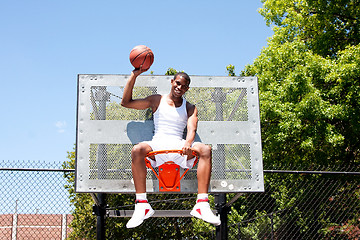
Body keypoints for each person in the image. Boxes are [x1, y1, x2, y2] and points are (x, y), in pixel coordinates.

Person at [121, 66, 221, 228]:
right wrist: (134, 75)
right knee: (137, 150)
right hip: (158, 144)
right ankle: (142, 204)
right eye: (177, 83)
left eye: (183, 86)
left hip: (179, 146)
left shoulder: (190, 107)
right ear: (172, 82)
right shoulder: (156, 100)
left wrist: (188, 144)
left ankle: (202, 204)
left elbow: (192, 128)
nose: (179, 87)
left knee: (205, 149)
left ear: (187, 88)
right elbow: (126, 103)